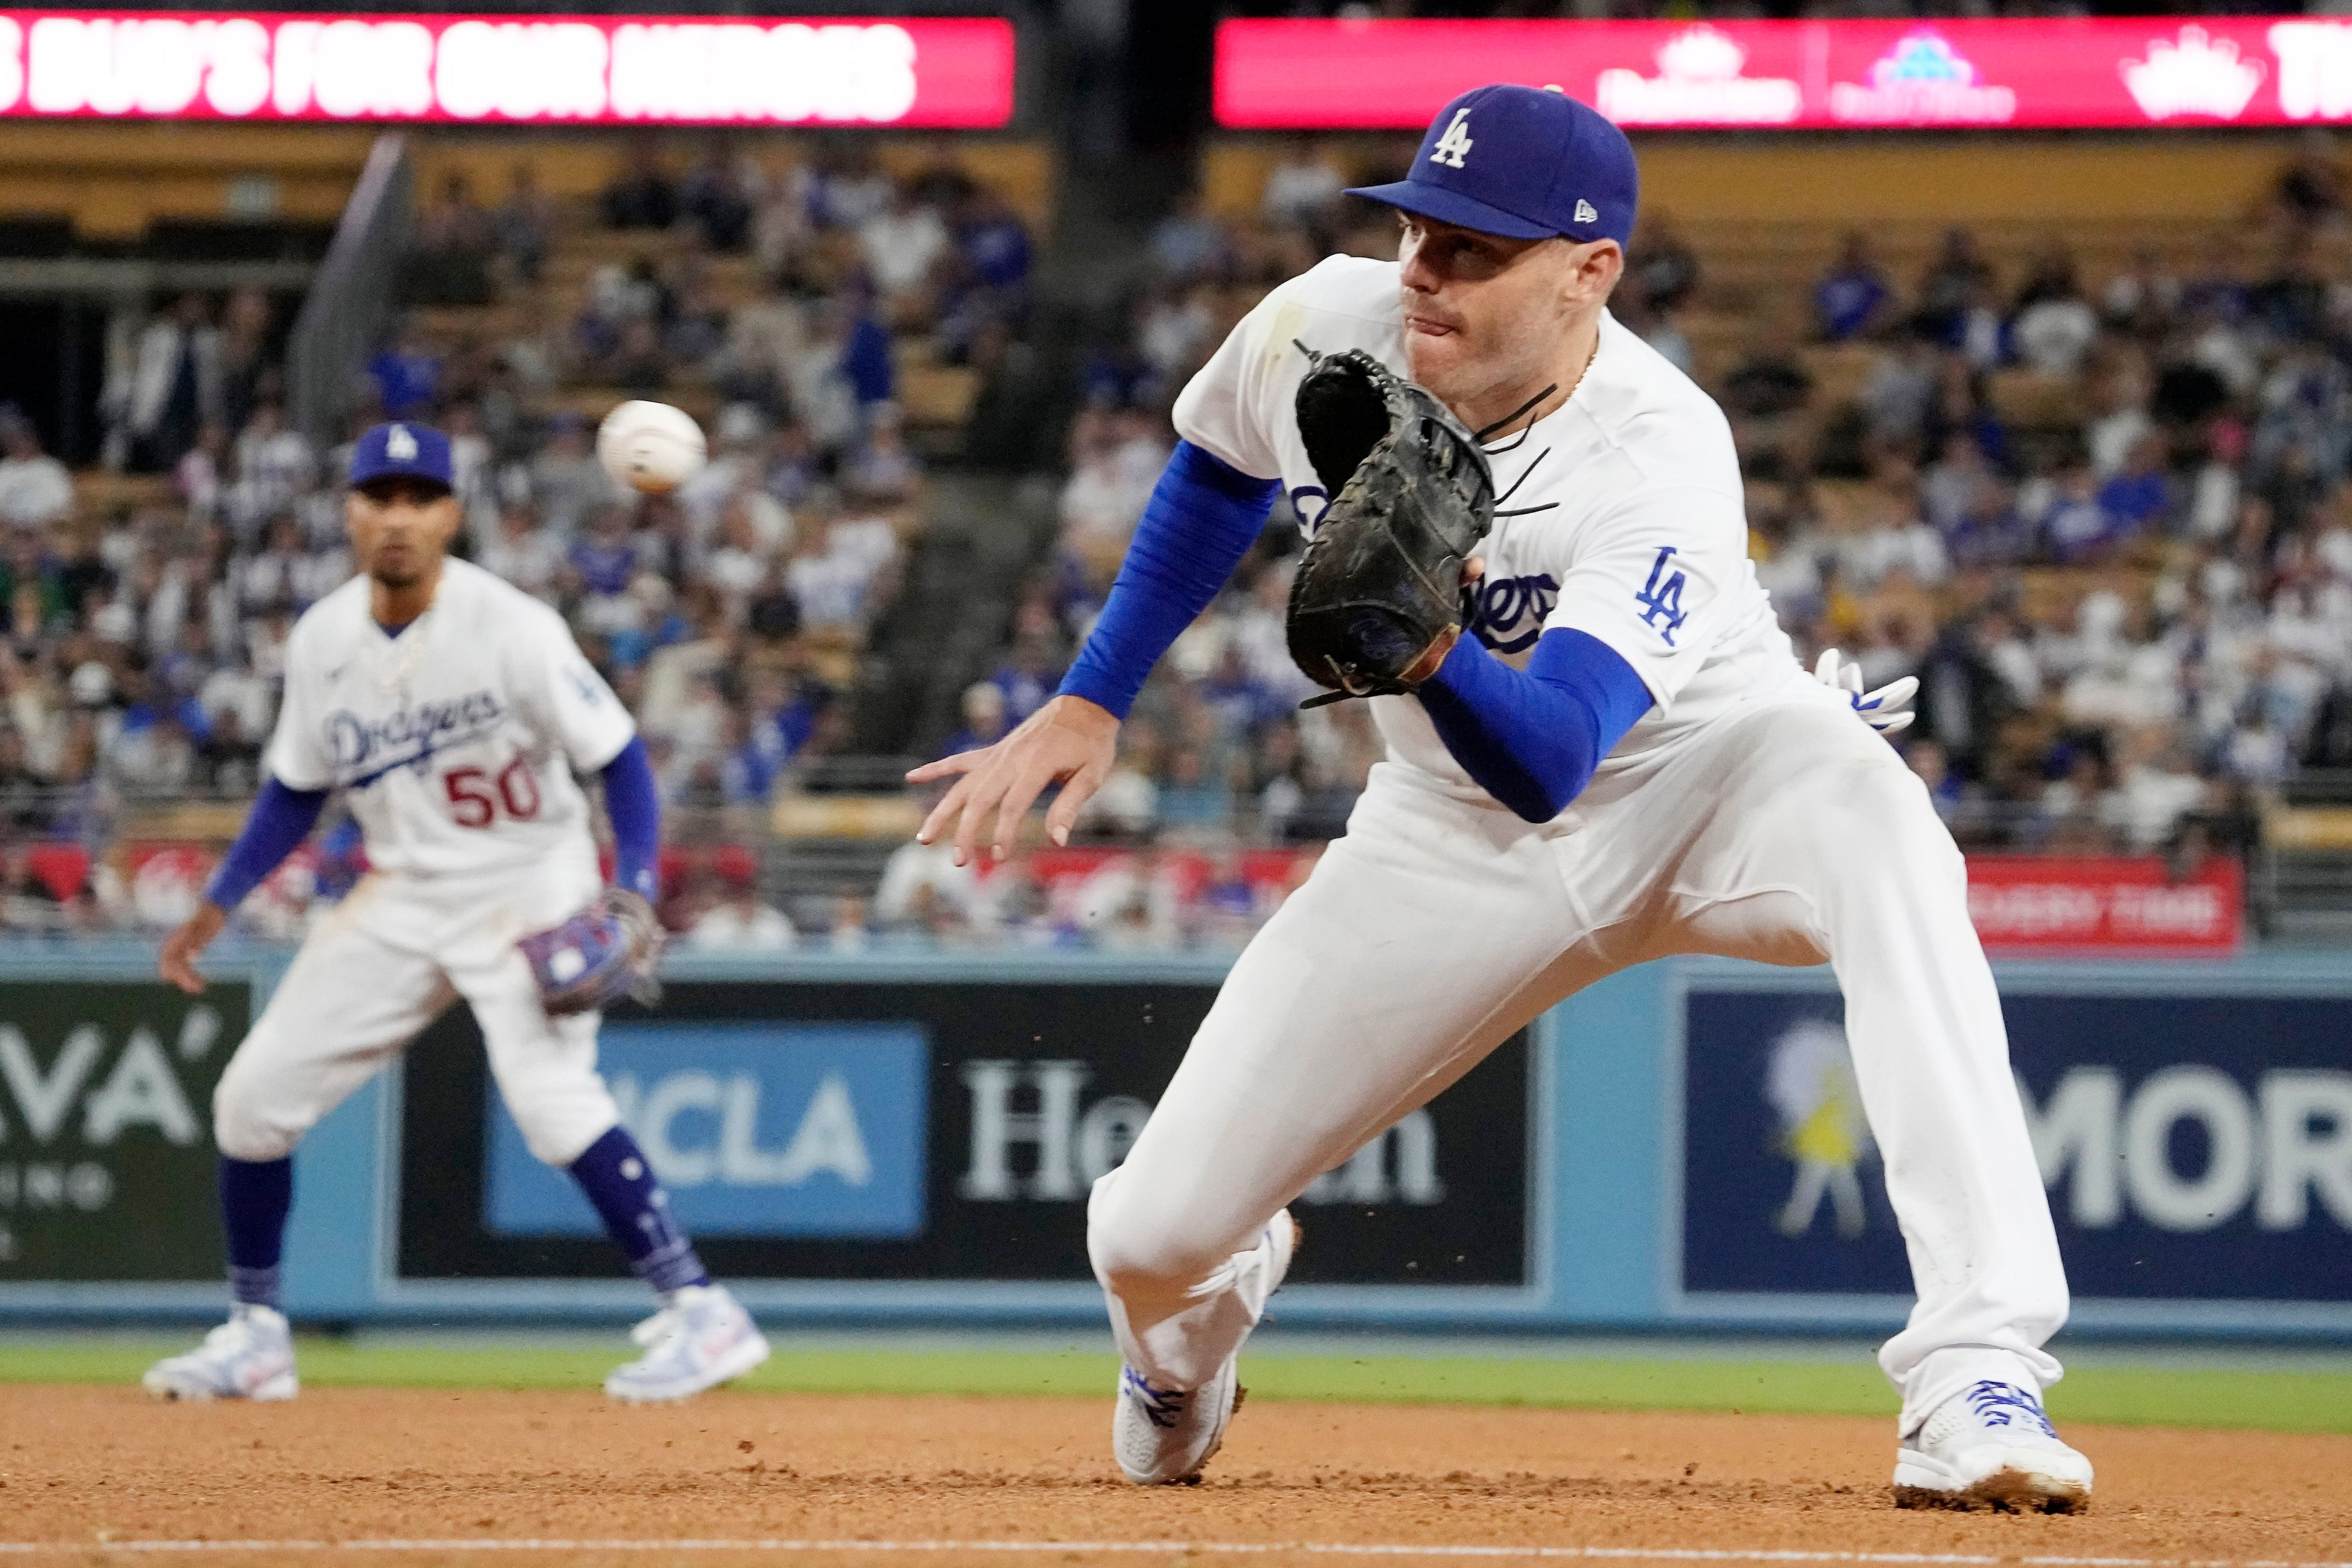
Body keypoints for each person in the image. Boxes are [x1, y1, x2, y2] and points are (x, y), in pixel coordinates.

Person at [910, 86, 2091, 1512]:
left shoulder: (1661, 445)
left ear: (1587, 271)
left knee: (1883, 824)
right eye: (1417, 226)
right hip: (1443, 829)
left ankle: (1976, 1367)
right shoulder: (1326, 320)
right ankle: (1192, 1337)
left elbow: (1558, 758)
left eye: (1473, 247)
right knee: (1149, 1239)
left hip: (1711, 776)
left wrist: (1431, 644)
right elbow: (1218, 464)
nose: (1422, 266)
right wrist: (1095, 691)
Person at [142, 421, 769, 1406]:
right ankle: (257, 1333)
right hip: (402, 892)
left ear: (451, 514)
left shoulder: (511, 624)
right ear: (349, 511)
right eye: (378, 497)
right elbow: (295, 790)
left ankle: (703, 1311)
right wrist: (218, 902)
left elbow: (619, 757)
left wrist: (633, 888)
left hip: (531, 879)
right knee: (251, 1100)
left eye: (418, 497)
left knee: (552, 1101)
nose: (397, 517)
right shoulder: (321, 640)